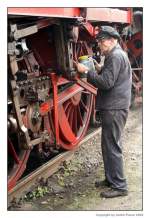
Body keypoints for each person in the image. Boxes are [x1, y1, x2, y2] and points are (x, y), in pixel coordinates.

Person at [75, 26, 132, 198]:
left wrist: (87, 71)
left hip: (114, 108)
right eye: (99, 42)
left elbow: (106, 83)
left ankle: (120, 186)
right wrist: (98, 67)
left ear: (112, 40)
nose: (99, 45)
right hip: (114, 106)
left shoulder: (115, 56)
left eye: (101, 42)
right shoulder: (116, 54)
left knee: (112, 146)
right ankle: (111, 179)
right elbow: (110, 75)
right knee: (108, 145)